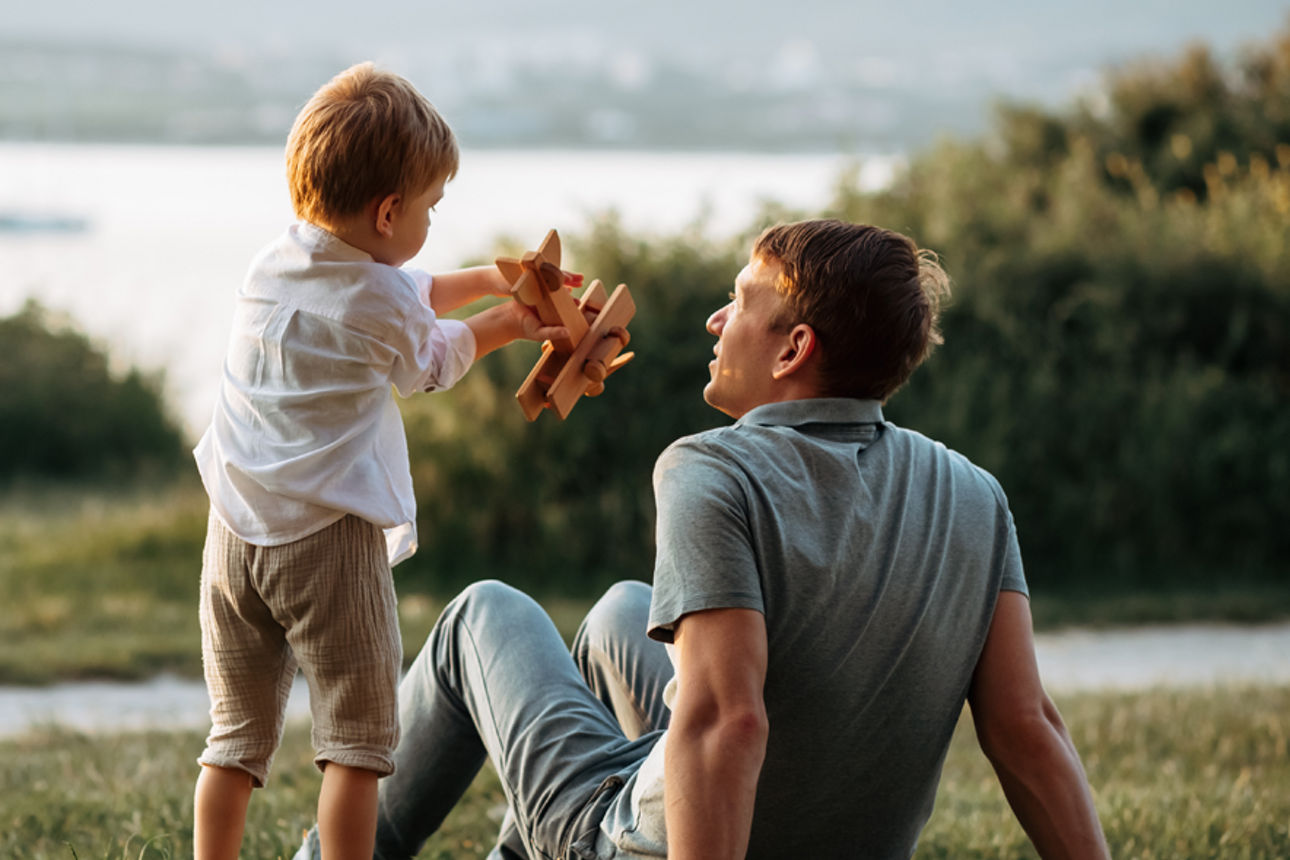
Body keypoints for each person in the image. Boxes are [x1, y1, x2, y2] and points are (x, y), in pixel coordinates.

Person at [295, 219, 1109, 859]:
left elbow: (728, 721)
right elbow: (1025, 727)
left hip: (655, 844)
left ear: (794, 349)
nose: (718, 320)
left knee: (482, 614)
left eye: (741, 302)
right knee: (624, 611)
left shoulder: (712, 469)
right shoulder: (973, 492)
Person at [192, 62, 575, 860]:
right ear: (389, 210)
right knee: (356, 744)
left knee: (234, 739)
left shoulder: (277, 261)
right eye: (431, 208)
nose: (433, 221)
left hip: (233, 534)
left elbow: (396, 288)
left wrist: (489, 278)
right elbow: (426, 361)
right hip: (324, 541)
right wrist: (509, 318)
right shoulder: (381, 300)